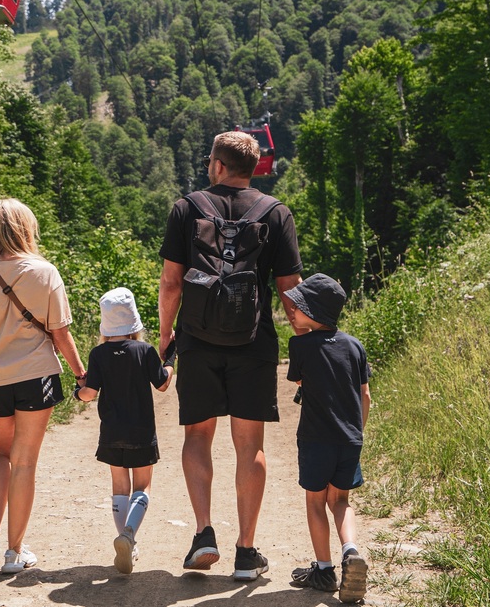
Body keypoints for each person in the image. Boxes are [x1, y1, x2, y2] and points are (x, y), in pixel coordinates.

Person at [158, 130, 303, 581]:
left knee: (197, 438)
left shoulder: (186, 209)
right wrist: (307, 345)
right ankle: (245, 551)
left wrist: (167, 339)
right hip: (253, 342)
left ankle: (203, 533)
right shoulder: (275, 213)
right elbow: (290, 290)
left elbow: (171, 284)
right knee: (250, 445)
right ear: (254, 168)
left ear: (217, 165)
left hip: (198, 341)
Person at [0, 198, 86, 574]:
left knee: (1, 455)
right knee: (26, 461)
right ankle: (15, 553)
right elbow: (60, 333)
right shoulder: (45, 272)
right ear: (25, 228)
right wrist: (81, 374)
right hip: (36, 377)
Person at [285, 274, 371, 603]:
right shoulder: (355, 345)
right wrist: (356, 432)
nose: (293, 310)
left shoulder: (301, 345)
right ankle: (351, 552)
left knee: (315, 501)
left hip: (315, 438)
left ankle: (323, 570)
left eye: (299, 306)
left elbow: (300, 384)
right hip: (350, 439)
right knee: (341, 501)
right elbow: (365, 397)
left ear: (315, 312)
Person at [75, 287, 174, 574]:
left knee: (120, 488)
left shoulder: (98, 354)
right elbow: (163, 384)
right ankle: (128, 535)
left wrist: (76, 391)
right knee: (142, 487)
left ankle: (127, 540)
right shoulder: (143, 350)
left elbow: (89, 394)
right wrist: (170, 361)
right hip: (141, 431)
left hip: (111, 431)